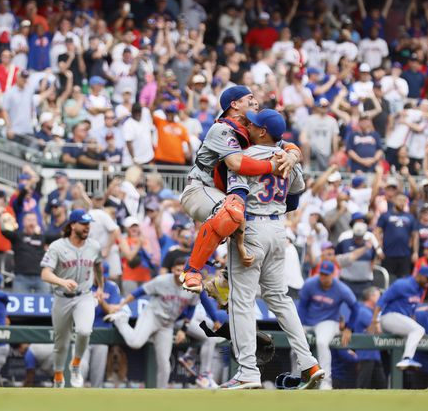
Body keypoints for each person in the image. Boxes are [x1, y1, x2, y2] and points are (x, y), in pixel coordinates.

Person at [222, 108, 322, 390]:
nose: (249, 127)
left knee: (241, 301)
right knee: (279, 298)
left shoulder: (246, 157)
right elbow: (296, 192)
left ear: (263, 131)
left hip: (252, 226)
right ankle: (308, 363)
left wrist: (239, 242)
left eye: (253, 125)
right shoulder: (286, 157)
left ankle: (247, 371)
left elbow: (236, 203)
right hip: (279, 228)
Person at [179, 86, 298, 292]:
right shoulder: (222, 129)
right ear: (234, 104)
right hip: (199, 190)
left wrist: (291, 157)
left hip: (226, 193)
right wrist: (271, 166)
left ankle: (222, 285)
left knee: (252, 228)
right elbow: (235, 163)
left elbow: (289, 145)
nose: (255, 101)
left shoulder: (252, 129)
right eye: (249, 98)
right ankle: (192, 271)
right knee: (232, 212)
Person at [104, 259, 221, 389]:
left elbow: (191, 309)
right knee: (135, 343)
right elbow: (140, 291)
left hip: (167, 324)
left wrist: (183, 329)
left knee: (165, 364)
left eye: (183, 270)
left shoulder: (192, 285)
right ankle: (121, 320)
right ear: (172, 270)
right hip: (153, 316)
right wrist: (121, 305)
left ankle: (162, 394)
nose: (180, 272)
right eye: (177, 269)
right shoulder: (162, 280)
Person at [40, 209, 103, 388]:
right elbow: (45, 274)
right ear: (72, 225)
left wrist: (101, 287)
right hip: (62, 297)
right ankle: (58, 376)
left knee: (84, 331)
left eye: (88, 224)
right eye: (83, 224)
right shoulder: (57, 246)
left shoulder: (94, 246)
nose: (87, 227)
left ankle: (76, 365)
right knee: (61, 342)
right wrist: (61, 281)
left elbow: (98, 267)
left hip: (84, 296)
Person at [298, 261, 357, 390]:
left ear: (333, 274)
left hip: (328, 321)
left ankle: (326, 382)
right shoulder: (310, 284)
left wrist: (349, 328)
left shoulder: (341, 289)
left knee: (322, 342)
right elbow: (302, 305)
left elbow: (355, 307)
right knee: (296, 345)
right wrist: (300, 324)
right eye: (322, 274)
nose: (323, 277)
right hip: (308, 321)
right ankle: (297, 378)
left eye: (326, 274)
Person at [369, 267, 428, 370]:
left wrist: (416, 329)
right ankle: (407, 358)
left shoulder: (421, 290)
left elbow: (412, 312)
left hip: (400, 321)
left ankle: (403, 362)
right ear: (420, 275)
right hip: (389, 317)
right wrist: (375, 321)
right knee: (418, 330)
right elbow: (382, 301)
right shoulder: (402, 284)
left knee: (417, 331)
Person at [78, 278, 122, 388]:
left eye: (103, 276)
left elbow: (112, 311)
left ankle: (95, 401)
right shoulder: (83, 285)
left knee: (97, 373)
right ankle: (76, 396)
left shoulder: (111, 287)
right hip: (83, 332)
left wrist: (101, 301)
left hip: (102, 334)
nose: (101, 278)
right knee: (81, 366)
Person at [1, 212, 49, 294]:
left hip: (41, 277)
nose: (31, 222)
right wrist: (3, 217)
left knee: (45, 304)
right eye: (29, 220)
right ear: (23, 222)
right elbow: (4, 231)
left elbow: (59, 237)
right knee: (20, 304)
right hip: (21, 278)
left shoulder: (42, 237)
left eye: (33, 220)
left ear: (37, 223)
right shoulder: (17, 236)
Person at [351, 286, 386, 389]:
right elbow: (378, 330)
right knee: (362, 386)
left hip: (374, 355)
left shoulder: (371, 312)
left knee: (382, 387)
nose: (381, 299)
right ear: (371, 297)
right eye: (378, 296)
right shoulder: (363, 311)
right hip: (365, 356)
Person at [376, 194, 417, 279]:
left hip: (405, 254)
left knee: (404, 279)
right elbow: (377, 232)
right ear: (394, 200)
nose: (402, 203)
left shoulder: (410, 217)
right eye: (399, 200)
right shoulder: (385, 215)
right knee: (388, 279)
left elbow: (415, 235)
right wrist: (378, 249)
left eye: (404, 201)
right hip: (388, 253)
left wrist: (415, 252)